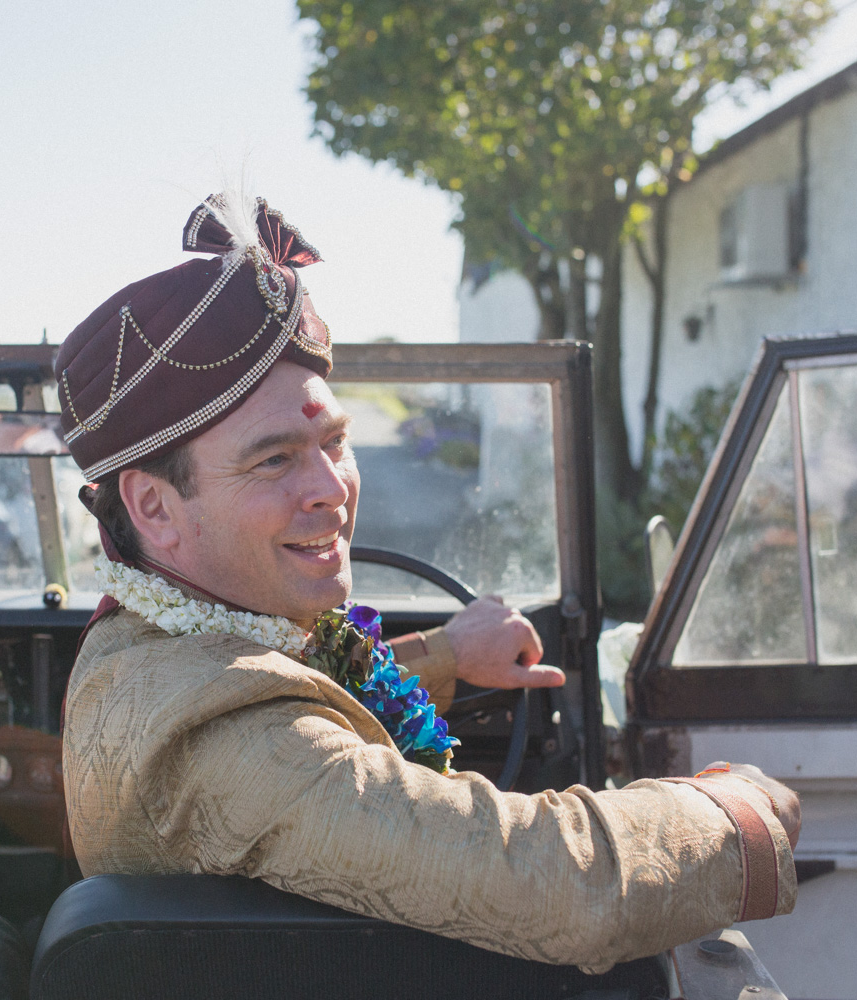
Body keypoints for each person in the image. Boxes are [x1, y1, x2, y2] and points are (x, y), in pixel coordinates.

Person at [57, 192, 801, 972]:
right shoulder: (223, 742)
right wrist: (734, 813)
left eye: (335, 441)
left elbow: (286, 682)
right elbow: (561, 888)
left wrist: (448, 654)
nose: (331, 488)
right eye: (274, 458)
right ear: (153, 505)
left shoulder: (152, 641)